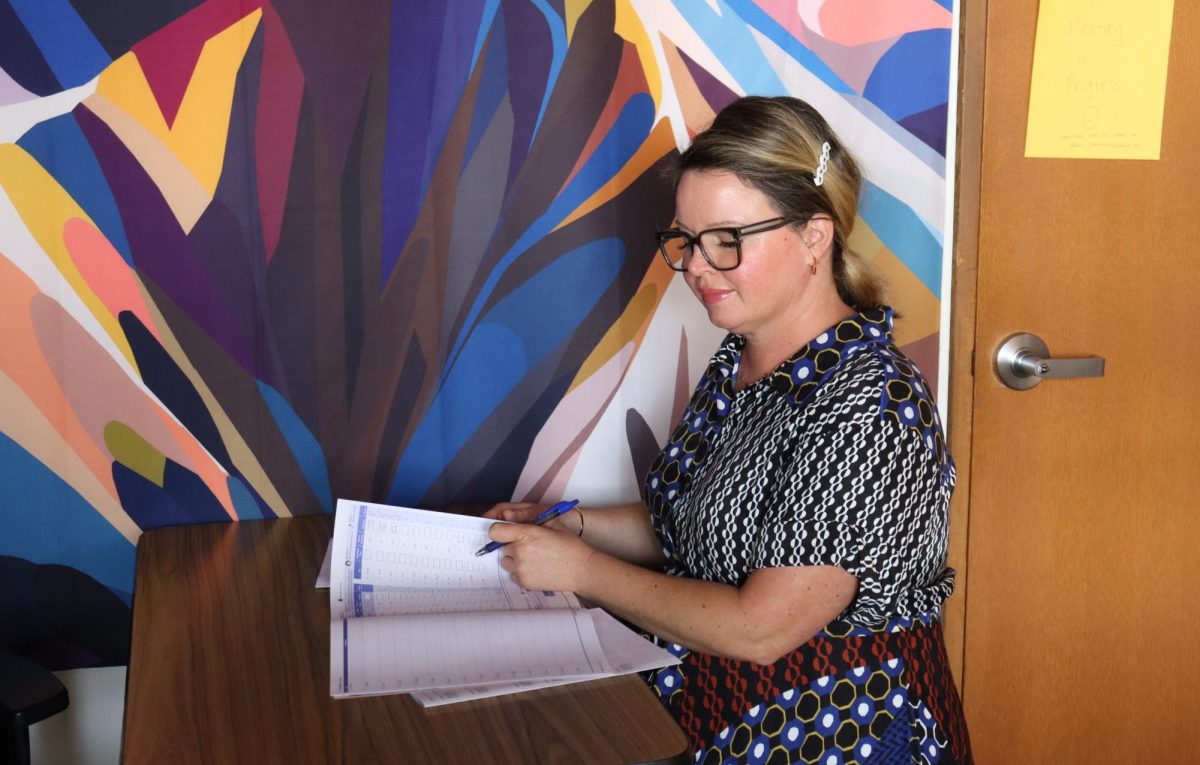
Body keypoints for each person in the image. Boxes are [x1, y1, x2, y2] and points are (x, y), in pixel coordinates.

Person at [484, 95, 972, 764]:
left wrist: (582, 570)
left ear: (814, 237)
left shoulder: (867, 407)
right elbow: (701, 522)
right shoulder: (743, 356)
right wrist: (574, 525)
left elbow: (762, 628)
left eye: (727, 240)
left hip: (837, 731)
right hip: (717, 708)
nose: (694, 265)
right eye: (685, 238)